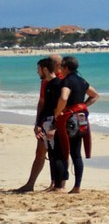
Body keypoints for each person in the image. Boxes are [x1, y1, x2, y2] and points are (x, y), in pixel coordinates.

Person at [48, 55, 99, 194]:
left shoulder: (67, 82)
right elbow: (95, 95)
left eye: (61, 67)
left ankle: (59, 185)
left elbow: (64, 97)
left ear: (66, 68)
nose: (60, 70)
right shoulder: (82, 81)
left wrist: (58, 112)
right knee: (76, 154)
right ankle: (77, 186)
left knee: (60, 151)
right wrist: (83, 106)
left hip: (69, 121)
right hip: (82, 120)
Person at [12, 55, 60, 193]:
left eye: (38, 69)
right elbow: (42, 103)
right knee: (40, 152)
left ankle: (56, 184)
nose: (36, 72)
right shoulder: (46, 82)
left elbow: (62, 106)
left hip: (54, 123)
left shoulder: (62, 82)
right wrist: (38, 122)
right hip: (45, 122)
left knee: (57, 154)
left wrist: (56, 125)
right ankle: (30, 184)